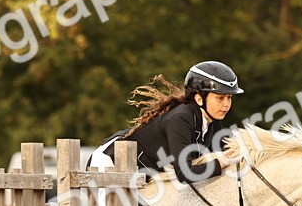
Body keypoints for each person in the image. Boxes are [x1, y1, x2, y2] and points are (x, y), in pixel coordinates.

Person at [89, 60, 243, 183]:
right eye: (220, 98)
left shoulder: (212, 123)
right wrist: (219, 164)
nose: (226, 104)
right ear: (199, 98)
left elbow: (229, 151)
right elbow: (185, 174)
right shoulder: (181, 119)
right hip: (110, 163)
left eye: (229, 97)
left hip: (141, 175)